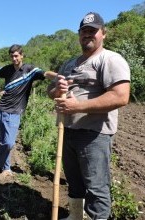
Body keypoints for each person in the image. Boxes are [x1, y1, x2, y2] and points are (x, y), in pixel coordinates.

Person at [47, 12, 130, 220]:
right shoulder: (68, 64)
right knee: (74, 184)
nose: (88, 35)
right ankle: (75, 216)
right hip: (67, 131)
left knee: (96, 188)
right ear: (79, 34)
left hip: (94, 135)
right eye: (84, 31)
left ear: (103, 34)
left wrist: (78, 107)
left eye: (93, 31)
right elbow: (51, 92)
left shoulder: (110, 60)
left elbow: (121, 96)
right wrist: (58, 89)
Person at [0, 44, 57, 181]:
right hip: (2, 108)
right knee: (2, 141)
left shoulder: (30, 70)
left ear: (22, 55)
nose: (14, 58)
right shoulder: (6, 69)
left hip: (15, 111)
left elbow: (45, 73)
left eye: (16, 55)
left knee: (9, 143)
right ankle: (6, 169)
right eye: (12, 56)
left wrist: (59, 77)